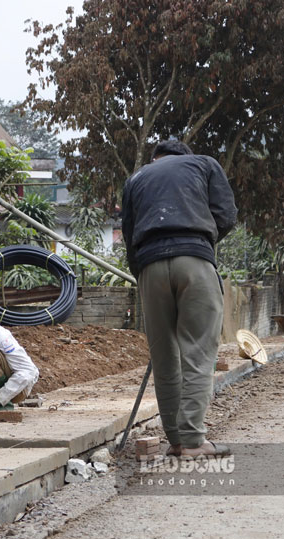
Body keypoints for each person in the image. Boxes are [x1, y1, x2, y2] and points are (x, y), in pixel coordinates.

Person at [121, 139, 238, 458]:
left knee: (164, 357)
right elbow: (226, 216)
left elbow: (129, 235)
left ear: (155, 159)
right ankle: (193, 441)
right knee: (198, 352)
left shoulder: (136, 178)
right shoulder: (204, 163)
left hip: (150, 266)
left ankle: (175, 441)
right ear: (184, 157)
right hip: (194, 261)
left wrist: (145, 273)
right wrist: (199, 244)